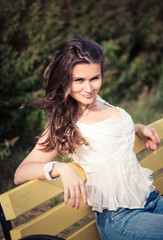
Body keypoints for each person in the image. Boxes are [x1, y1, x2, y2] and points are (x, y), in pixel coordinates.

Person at [14, 36, 163, 240]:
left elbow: (109, 135)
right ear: (65, 79)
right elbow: (20, 172)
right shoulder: (64, 122)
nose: (89, 88)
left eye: (95, 78)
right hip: (121, 218)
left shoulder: (98, 100)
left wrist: (137, 128)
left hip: (151, 201)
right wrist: (61, 168)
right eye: (79, 80)